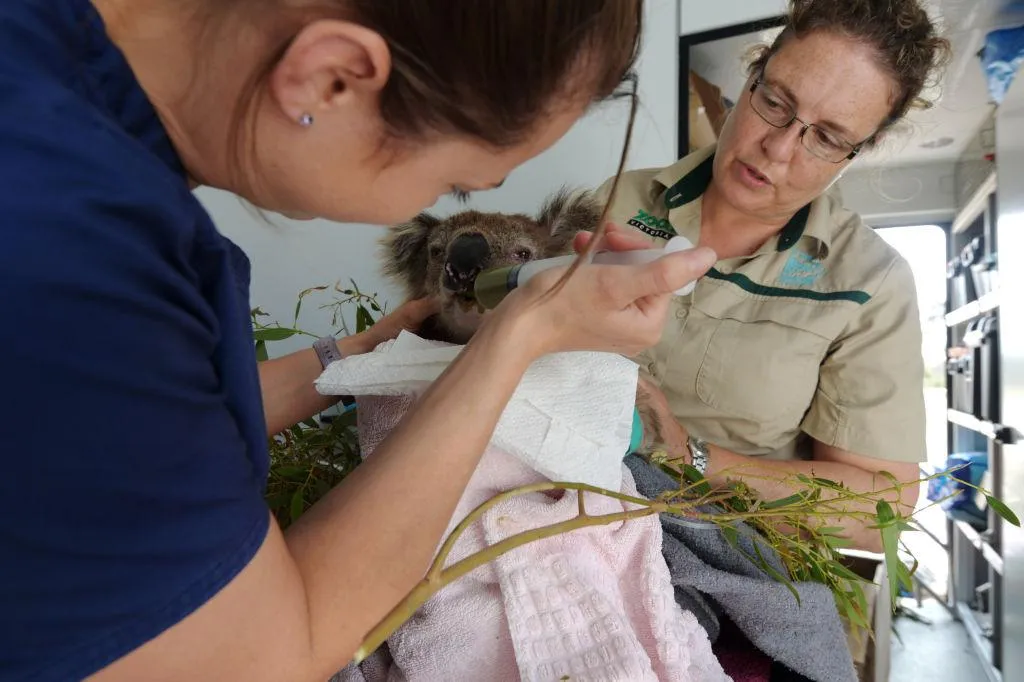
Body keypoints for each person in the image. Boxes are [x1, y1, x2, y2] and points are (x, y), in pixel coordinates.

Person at [0, 1, 719, 680]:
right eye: (457, 184)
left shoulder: (54, 90)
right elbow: (265, 656)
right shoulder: (73, 249)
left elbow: (137, 424)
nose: (438, 204)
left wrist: (363, 353)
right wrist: (519, 334)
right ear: (332, 78)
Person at [593, 0, 951, 551]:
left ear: (860, 150)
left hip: (723, 548)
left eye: (827, 138)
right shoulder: (616, 200)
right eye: (775, 102)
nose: (778, 148)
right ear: (753, 75)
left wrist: (687, 453)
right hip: (561, 504)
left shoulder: (869, 282)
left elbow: (875, 513)